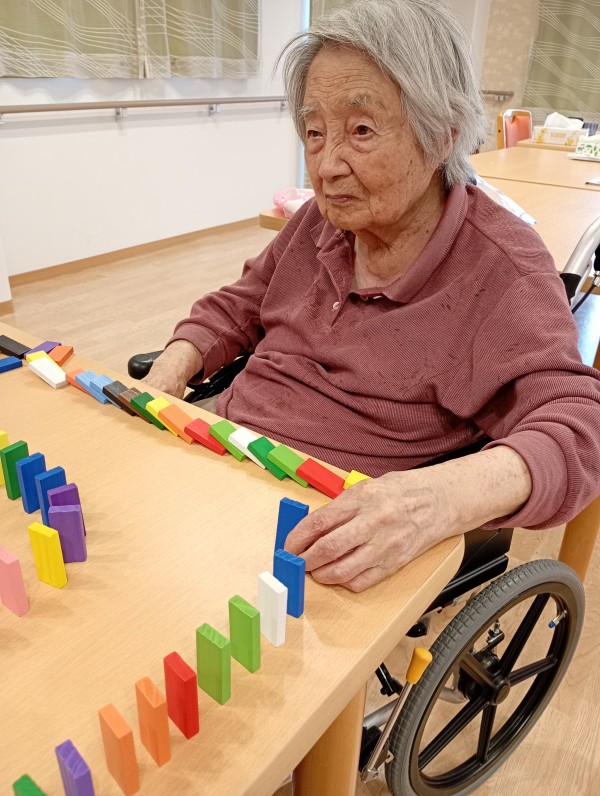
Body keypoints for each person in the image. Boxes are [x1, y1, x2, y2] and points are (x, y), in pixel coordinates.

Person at [144, 0, 600, 592]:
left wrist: (438, 500)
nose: (327, 166)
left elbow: (580, 426)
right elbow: (241, 302)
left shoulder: (501, 269)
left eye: (361, 130)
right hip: (218, 455)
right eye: (314, 132)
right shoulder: (320, 221)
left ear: (443, 135)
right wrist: (169, 371)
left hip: (321, 532)